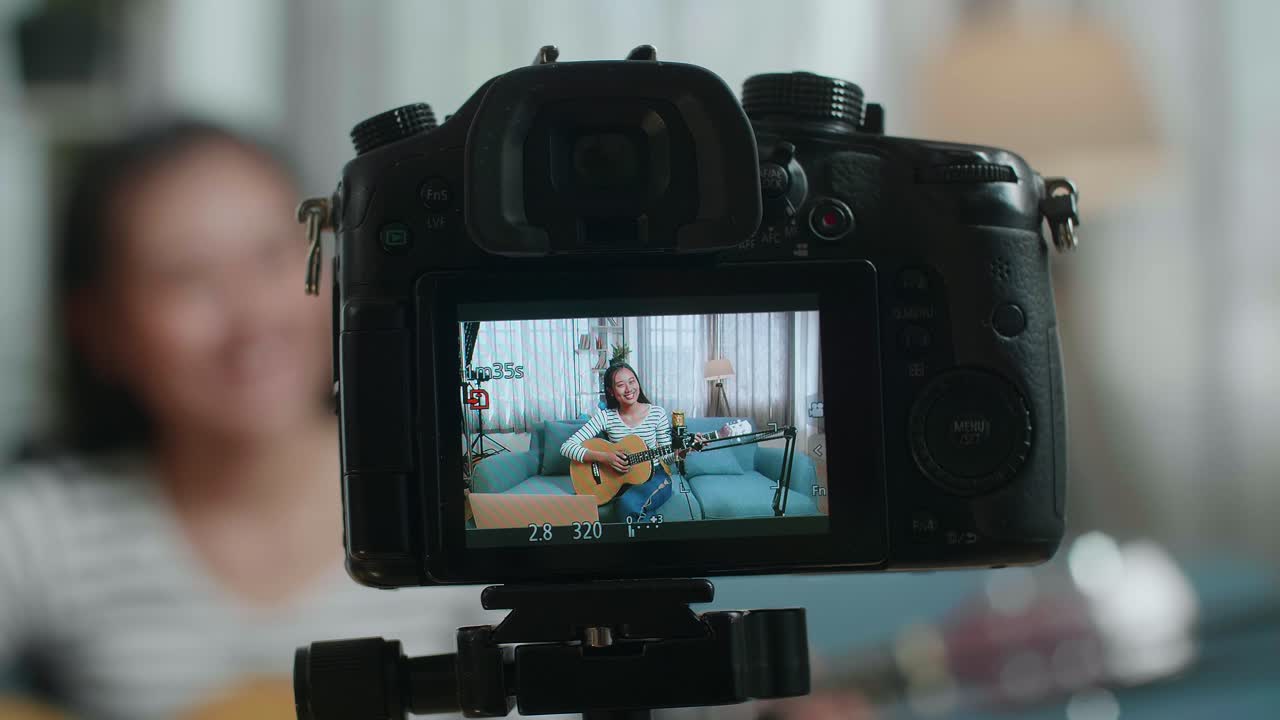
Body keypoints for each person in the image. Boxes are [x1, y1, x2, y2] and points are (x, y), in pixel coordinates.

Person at [0, 120, 486, 719]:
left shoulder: (453, 494)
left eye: (273, 258)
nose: (251, 318)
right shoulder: (46, 531)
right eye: (186, 277)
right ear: (96, 327)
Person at [559, 362, 703, 521]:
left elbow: (667, 458)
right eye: (620, 385)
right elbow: (567, 447)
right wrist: (605, 458)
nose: (629, 389)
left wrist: (683, 450)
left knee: (627, 505)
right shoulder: (605, 416)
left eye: (632, 381)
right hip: (619, 479)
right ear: (611, 391)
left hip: (654, 476)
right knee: (626, 505)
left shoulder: (657, 413)